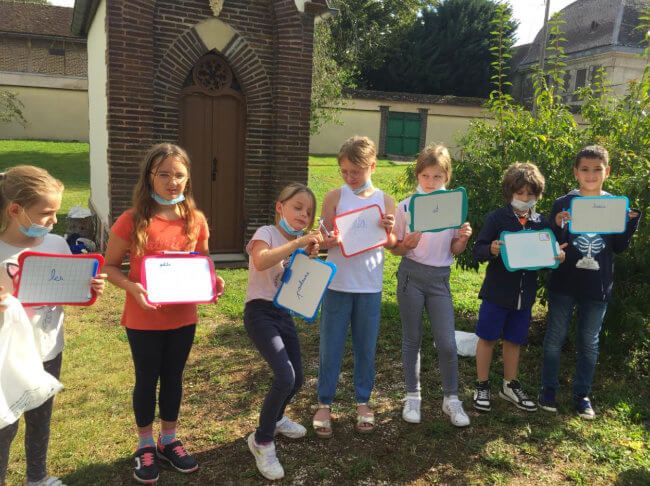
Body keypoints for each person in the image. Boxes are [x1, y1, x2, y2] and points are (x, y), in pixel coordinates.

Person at [104, 143, 224, 484]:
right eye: (165, 174)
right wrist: (131, 288)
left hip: (183, 317)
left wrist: (214, 282)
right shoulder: (131, 220)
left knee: (174, 378)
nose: (173, 182)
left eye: (180, 175)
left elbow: (204, 264)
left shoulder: (195, 220)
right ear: (149, 177)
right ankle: (144, 444)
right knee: (147, 378)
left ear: (188, 179)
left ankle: (168, 439)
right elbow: (110, 266)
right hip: (143, 318)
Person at [0, 166, 106, 486]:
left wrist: (88, 288)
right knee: (5, 426)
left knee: (40, 418)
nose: (55, 221)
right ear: (15, 210)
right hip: (8, 359)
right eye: (47, 213)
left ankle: (37, 477)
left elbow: (68, 289)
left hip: (48, 349)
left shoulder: (56, 244)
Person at [539, 145, 641, 419]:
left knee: (589, 342)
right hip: (564, 282)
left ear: (607, 172)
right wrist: (558, 223)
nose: (591, 174)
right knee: (554, 338)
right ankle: (548, 389)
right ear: (576, 172)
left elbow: (618, 247)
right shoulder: (563, 203)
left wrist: (629, 222)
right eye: (585, 169)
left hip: (597, 286)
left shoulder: (616, 204)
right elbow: (551, 242)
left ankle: (581, 395)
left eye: (597, 169)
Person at [313, 136, 396, 438]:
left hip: (369, 287)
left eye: (356, 172)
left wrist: (390, 231)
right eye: (345, 171)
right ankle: (324, 403)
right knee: (330, 346)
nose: (350, 178)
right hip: (337, 284)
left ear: (372, 166)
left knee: (366, 348)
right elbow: (320, 237)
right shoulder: (335, 196)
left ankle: (363, 401)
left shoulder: (386, 201)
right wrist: (326, 240)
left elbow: (394, 244)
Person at [472, 162, 564, 413]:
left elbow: (546, 256)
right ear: (509, 193)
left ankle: (510, 385)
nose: (525, 199)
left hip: (525, 296)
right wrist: (490, 249)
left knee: (514, 340)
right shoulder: (497, 219)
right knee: (488, 338)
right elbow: (477, 250)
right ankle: (482, 384)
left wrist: (555, 257)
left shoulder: (540, 223)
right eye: (520, 193)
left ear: (538, 195)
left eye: (530, 194)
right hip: (496, 294)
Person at [391, 144, 472, 427]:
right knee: (412, 339)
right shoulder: (405, 205)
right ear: (418, 175)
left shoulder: (452, 206)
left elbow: (454, 248)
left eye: (437, 177)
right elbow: (396, 249)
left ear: (447, 177)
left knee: (447, 343)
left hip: (440, 280)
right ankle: (413, 396)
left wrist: (462, 238)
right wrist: (405, 244)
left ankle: (451, 398)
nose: (431, 182)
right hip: (411, 277)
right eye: (426, 176)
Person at [244, 183, 321, 480]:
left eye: (309, 212)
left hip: (283, 313)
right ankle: (262, 440)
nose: (303, 214)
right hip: (259, 312)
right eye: (297, 207)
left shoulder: (300, 242)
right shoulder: (266, 233)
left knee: (297, 378)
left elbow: (296, 283)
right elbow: (262, 260)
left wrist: (309, 257)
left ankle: (275, 418)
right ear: (280, 207)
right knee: (284, 376)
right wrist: (296, 245)